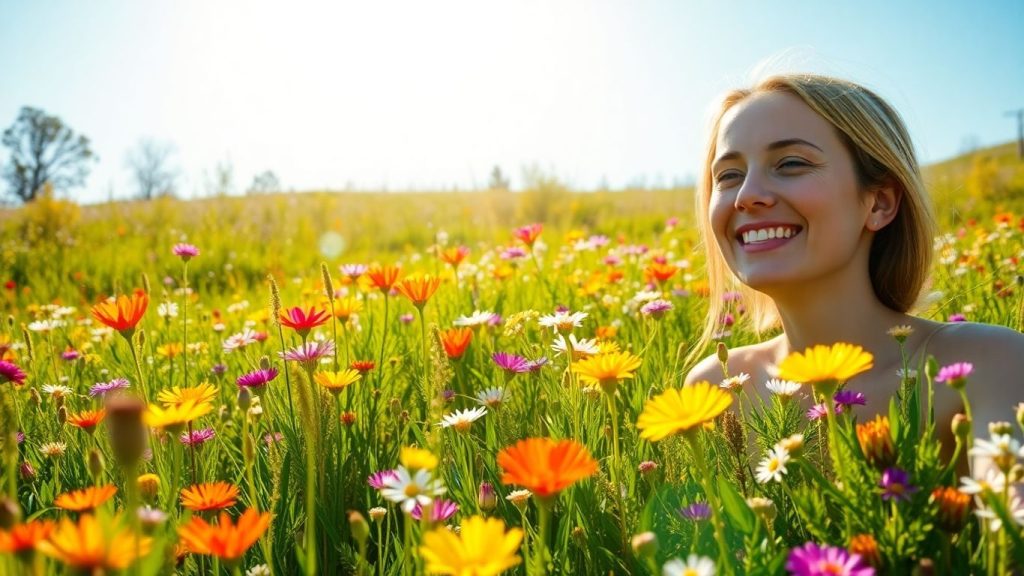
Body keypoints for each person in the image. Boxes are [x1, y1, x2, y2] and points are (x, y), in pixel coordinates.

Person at [683, 73, 1024, 455]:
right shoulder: (717, 389)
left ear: (879, 203)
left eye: (791, 164)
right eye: (729, 175)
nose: (746, 196)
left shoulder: (987, 362)